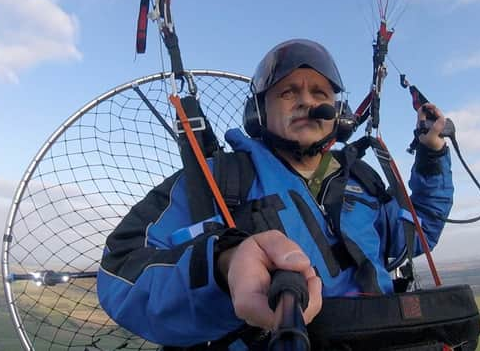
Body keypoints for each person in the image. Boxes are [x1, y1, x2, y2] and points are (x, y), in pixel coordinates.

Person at [97, 39, 453, 350]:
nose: (306, 102)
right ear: (259, 112)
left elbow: (418, 233)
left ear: (338, 113)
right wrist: (223, 267)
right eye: (288, 92)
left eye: (319, 93)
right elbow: (119, 274)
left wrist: (433, 154)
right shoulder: (219, 179)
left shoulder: (362, 179)